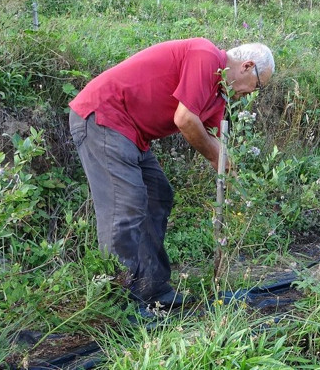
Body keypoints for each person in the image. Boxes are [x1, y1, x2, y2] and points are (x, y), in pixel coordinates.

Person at [68, 38, 275, 308]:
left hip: (132, 134)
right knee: (125, 206)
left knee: (159, 194)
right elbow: (186, 119)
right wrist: (217, 156)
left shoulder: (218, 93)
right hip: (104, 117)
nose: (251, 94)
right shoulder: (205, 56)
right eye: (257, 86)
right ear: (247, 66)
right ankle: (114, 303)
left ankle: (151, 289)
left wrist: (231, 174)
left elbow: (214, 141)